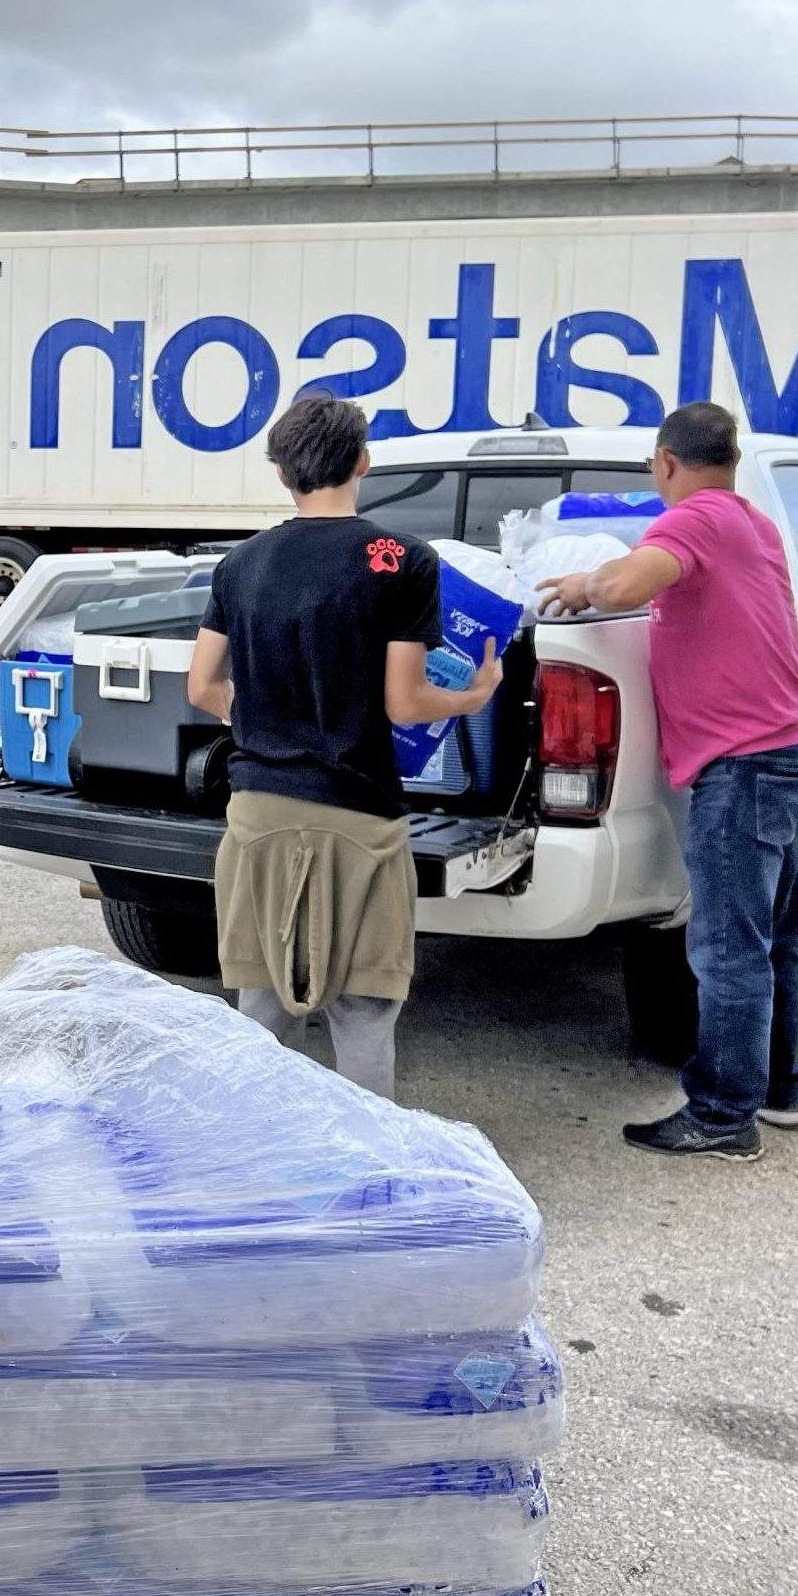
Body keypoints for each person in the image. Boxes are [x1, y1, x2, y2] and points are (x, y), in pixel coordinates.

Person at [187, 393, 501, 1100]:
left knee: (261, 1008)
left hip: (259, 815)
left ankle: (264, 1171)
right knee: (360, 1013)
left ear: (280, 474)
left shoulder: (240, 564)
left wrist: (270, 716)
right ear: (361, 462)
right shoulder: (400, 561)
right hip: (359, 816)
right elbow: (405, 701)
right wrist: (471, 696)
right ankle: (363, 1183)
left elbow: (203, 684)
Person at [538, 401, 798, 1161]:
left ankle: (722, 1114)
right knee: (773, 939)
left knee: (726, 949)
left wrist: (584, 585)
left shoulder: (691, 520)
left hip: (745, 768)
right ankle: (776, 1086)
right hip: (791, 755)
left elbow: (630, 586)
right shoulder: (750, 522)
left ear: (665, 462)